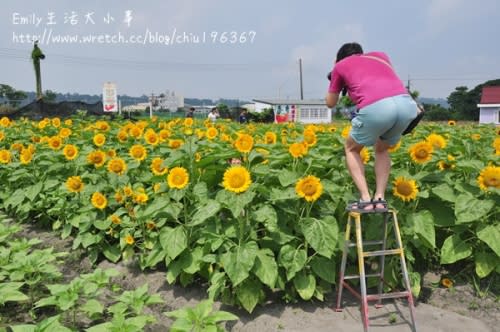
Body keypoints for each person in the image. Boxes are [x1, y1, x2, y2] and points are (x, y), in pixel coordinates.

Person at [325, 42, 417, 212]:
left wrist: (335, 74)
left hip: (377, 107)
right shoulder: (380, 56)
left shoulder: (340, 66)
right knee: (382, 149)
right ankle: (380, 198)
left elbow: (330, 103)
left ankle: (366, 199)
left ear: (339, 58)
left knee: (351, 148)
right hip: (407, 104)